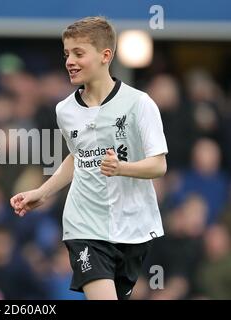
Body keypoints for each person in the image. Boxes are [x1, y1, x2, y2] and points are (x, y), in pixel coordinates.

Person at [10, 16, 168, 300]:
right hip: (83, 226)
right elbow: (78, 156)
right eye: (67, 53)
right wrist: (43, 192)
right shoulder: (65, 110)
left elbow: (159, 165)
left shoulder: (139, 103)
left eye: (78, 53)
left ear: (105, 56)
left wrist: (122, 168)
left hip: (133, 228)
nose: (69, 60)